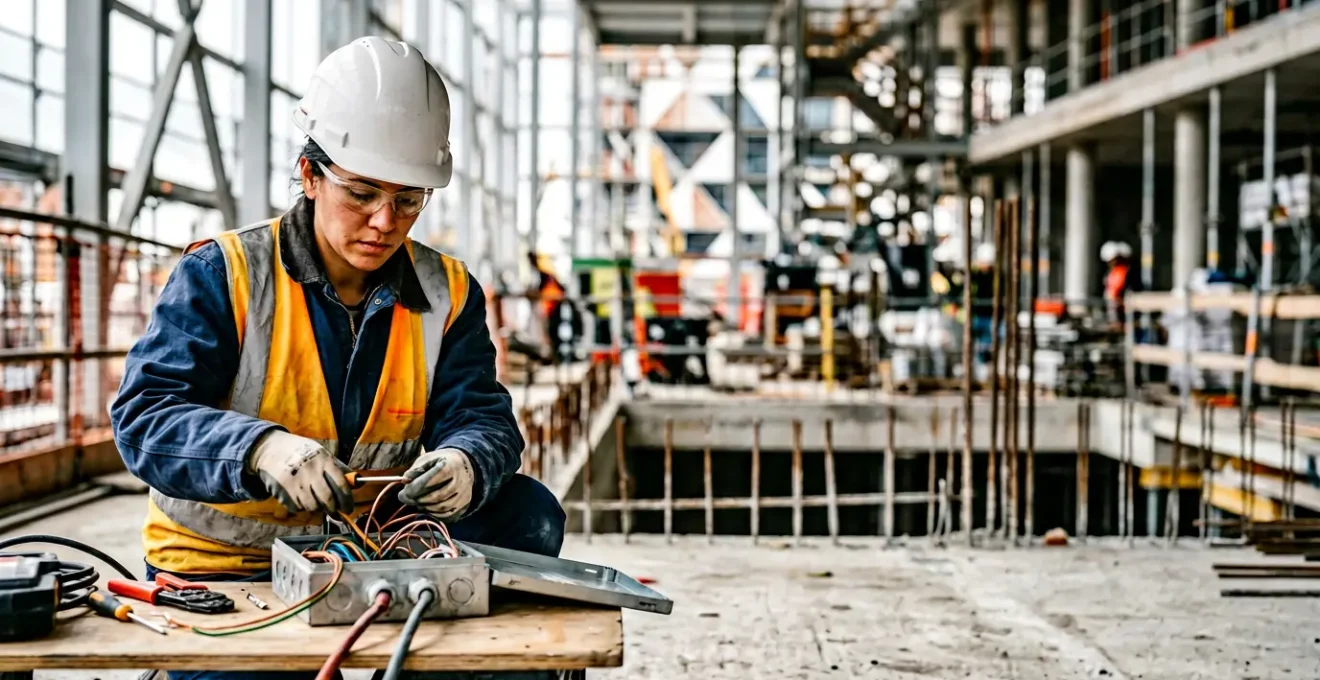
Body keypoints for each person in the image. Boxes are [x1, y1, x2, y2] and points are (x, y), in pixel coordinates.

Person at [110, 36, 565, 675]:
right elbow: (145, 418)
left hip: (377, 544)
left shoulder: (449, 292)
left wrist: (467, 460)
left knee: (528, 515)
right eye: (361, 193)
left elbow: (484, 418)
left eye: (408, 200)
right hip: (229, 563)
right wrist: (259, 449)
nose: (384, 221)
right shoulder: (225, 274)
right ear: (309, 175)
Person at [1100, 240, 1138, 327]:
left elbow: (1115, 292)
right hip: (1115, 308)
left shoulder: (1121, 271)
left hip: (1120, 310)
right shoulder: (1115, 272)